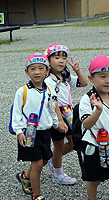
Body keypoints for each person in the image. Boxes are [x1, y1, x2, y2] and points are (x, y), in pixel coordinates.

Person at [12, 53, 60, 200]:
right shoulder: (22, 91)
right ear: (27, 71)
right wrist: (19, 131)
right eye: (32, 69)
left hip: (45, 132)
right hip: (29, 133)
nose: (37, 72)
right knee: (38, 164)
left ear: (47, 71)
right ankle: (36, 195)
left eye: (41, 68)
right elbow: (16, 113)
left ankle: (24, 175)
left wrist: (57, 124)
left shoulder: (49, 91)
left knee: (44, 160)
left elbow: (51, 109)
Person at [44, 44, 88, 185]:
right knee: (58, 144)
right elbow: (53, 101)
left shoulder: (65, 76)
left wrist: (78, 70)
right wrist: (59, 120)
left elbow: (84, 83)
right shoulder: (48, 80)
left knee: (75, 141)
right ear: (48, 60)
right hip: (57, 114)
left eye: (64, 57)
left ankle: (52, 159)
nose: (61, 61)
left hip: (68, 113)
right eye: (57, 57)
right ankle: (57, 174)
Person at [78, 55, 109, 200]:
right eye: (103, 76)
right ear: (91, 79)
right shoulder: (88, 99)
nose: (107, 80)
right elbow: (86, 124)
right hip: (95, 145)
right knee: (94, 179)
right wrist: (98, 111)